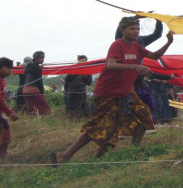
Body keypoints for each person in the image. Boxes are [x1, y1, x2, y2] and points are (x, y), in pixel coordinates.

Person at [50, 17, 174, 165]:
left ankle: (133, 151)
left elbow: (154, 56)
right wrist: (135, 67)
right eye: (132, 29)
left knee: (144, 115)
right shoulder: (117, 45)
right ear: (122, 30)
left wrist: (168, 42)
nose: (135, 31)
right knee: (101, 126)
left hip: (125, 91)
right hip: (107, 91)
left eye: (137, 29)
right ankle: (64, 155)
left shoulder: (136, 46)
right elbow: (110, 64)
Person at [0, 58, 19, 160]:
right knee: (4, 136)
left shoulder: (2, 81)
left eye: (11, 69)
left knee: (5, 137)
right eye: (7, 68)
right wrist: (10, 113)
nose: (10, 71)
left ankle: (3, 160)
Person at [23, 51, 51, 115]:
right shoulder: (38, 68)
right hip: (33, 90)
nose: (43, 60)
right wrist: (42, 92)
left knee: (31, 107)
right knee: (45, 108)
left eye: (43, 58)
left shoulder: (28, 66)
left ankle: (30, 119)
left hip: (25, 90)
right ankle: (44, 120)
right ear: (36, 58)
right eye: (41, 58)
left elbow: (26, 76)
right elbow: (39, 81)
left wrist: (39, 68)